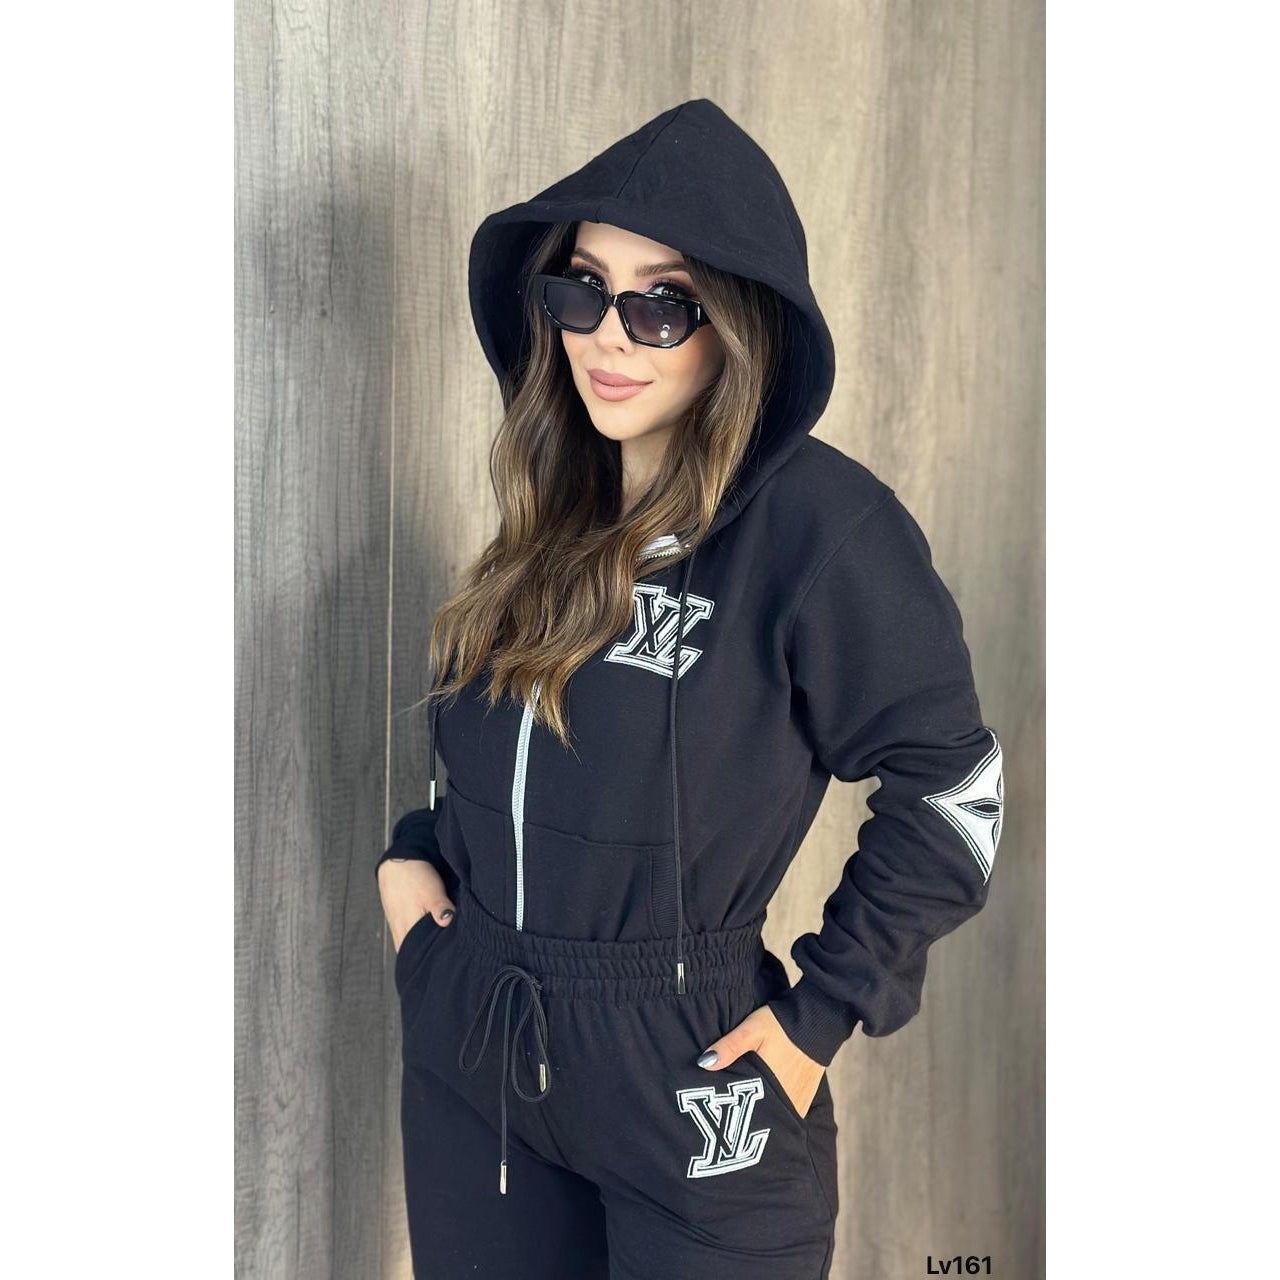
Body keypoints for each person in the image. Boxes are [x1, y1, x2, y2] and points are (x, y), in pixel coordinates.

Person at [375, 98, 1004, 1280]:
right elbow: (497, 756)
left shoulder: (821, 530)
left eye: (658, 305)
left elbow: (953, 790)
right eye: (580, 291)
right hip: (476, 1057)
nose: (607, 337)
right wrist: (413, 869)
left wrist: (820, 1013)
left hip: (689, 1077)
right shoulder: (551, 514)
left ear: (736, 327)